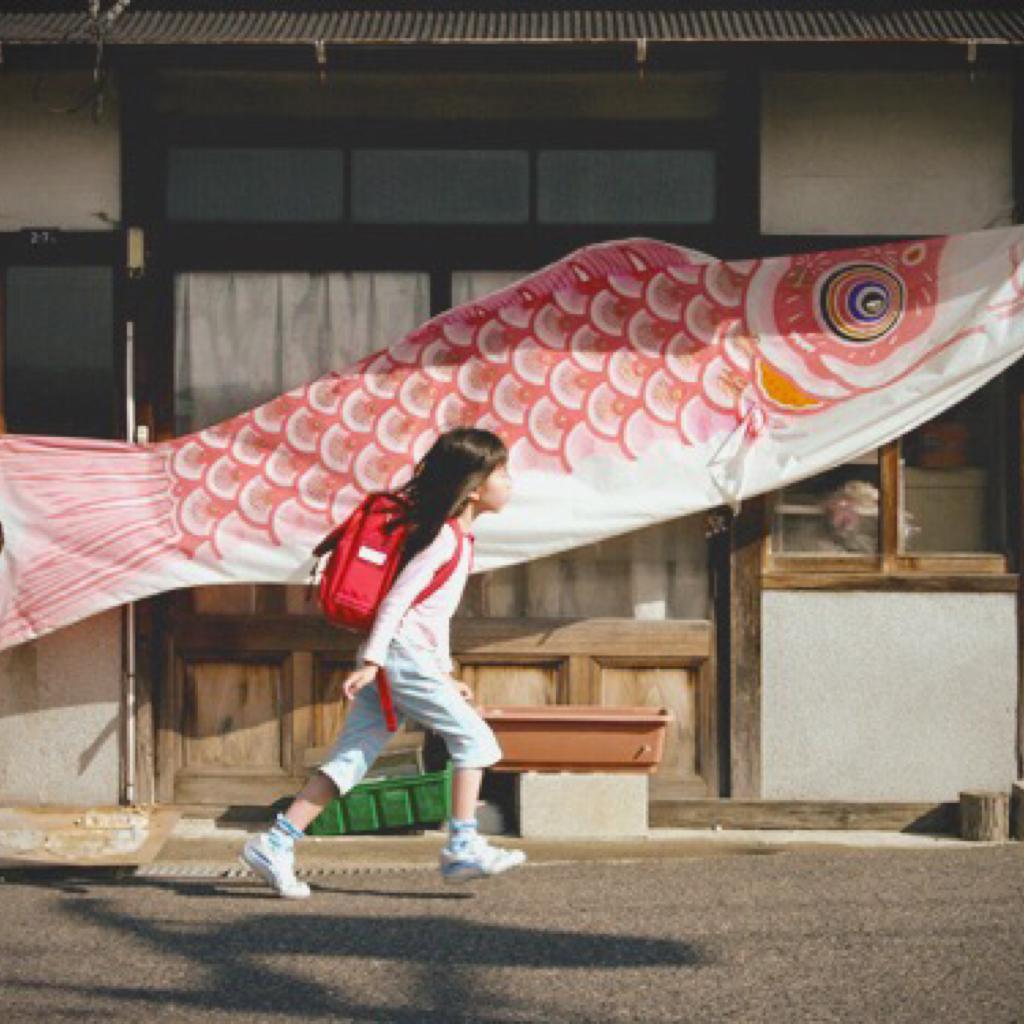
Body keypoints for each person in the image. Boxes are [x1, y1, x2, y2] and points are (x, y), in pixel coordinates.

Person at [242, 427, 526, 897]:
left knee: (351, 759)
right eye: (504, 472)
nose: (511, 481)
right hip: (400, 657)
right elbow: (396, 603)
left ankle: (275, 842)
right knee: (475, 740)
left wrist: (443, 674)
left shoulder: (458, 540)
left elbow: (430, 614)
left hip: (406, 659)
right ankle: (462, 845)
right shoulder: (445, 540)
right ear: (475, 487)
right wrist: (374, 662)